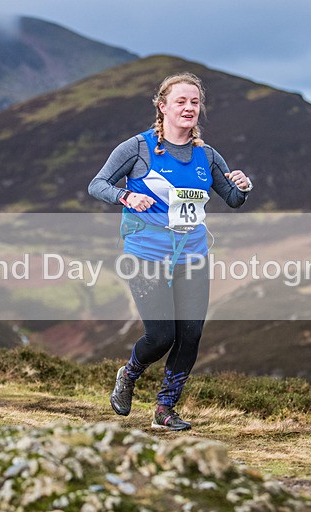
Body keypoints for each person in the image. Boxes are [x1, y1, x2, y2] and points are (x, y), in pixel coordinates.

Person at [88, 72, 253, 431]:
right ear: (162, 106)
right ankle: (129, 374)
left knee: (190, 335)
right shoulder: (138, 148)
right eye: (181, 101)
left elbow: (233, 199)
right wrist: (126, 196)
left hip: (192, 256)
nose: (189, 107)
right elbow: (97, 184)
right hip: (146, 255)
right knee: (161, 336)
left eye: (195, 102)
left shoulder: (206, 156)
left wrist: (243, 185)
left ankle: (165, 409)